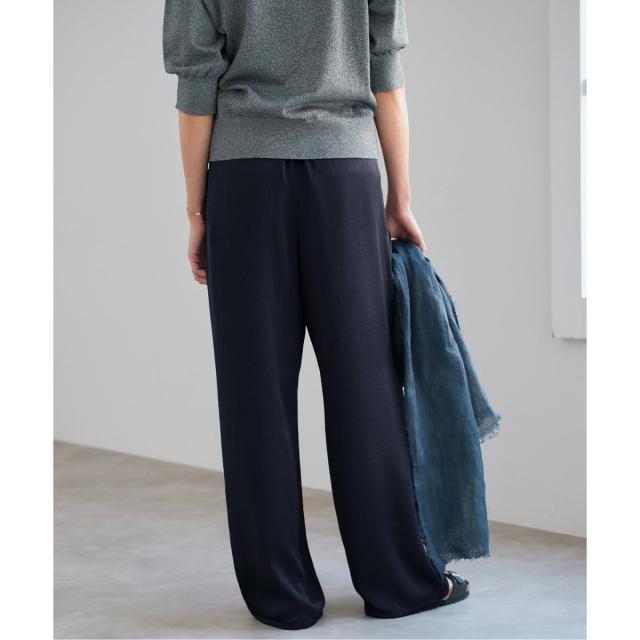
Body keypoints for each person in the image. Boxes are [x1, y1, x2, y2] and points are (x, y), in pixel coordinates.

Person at [164, 0, 469, 630]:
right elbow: (386, 74)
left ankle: (283, 597)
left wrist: (197, 213)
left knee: (255, 397)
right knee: (366, 389)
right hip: (346, 177)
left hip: (243, 183)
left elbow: (197, 91)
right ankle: (397, 582)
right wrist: (400, 198)